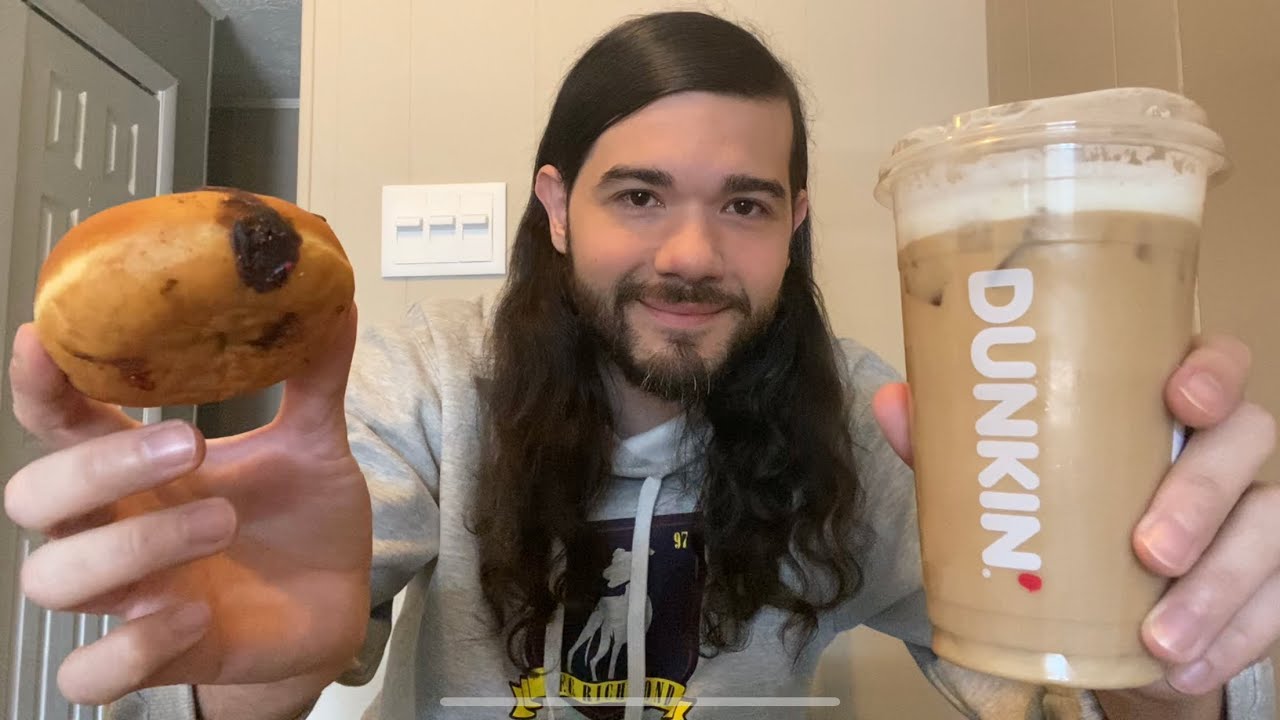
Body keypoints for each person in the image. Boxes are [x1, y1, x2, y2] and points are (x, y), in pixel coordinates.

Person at [5, 11, 1277, 720]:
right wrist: (252, 652)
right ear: (554, 208)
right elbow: (266, 648)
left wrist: (1165, 636)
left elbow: (1058, 697)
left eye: (743, 205)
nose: (689, 254)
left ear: (795, 225)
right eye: (636, 196)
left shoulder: (876, 417)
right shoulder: (429, 385)